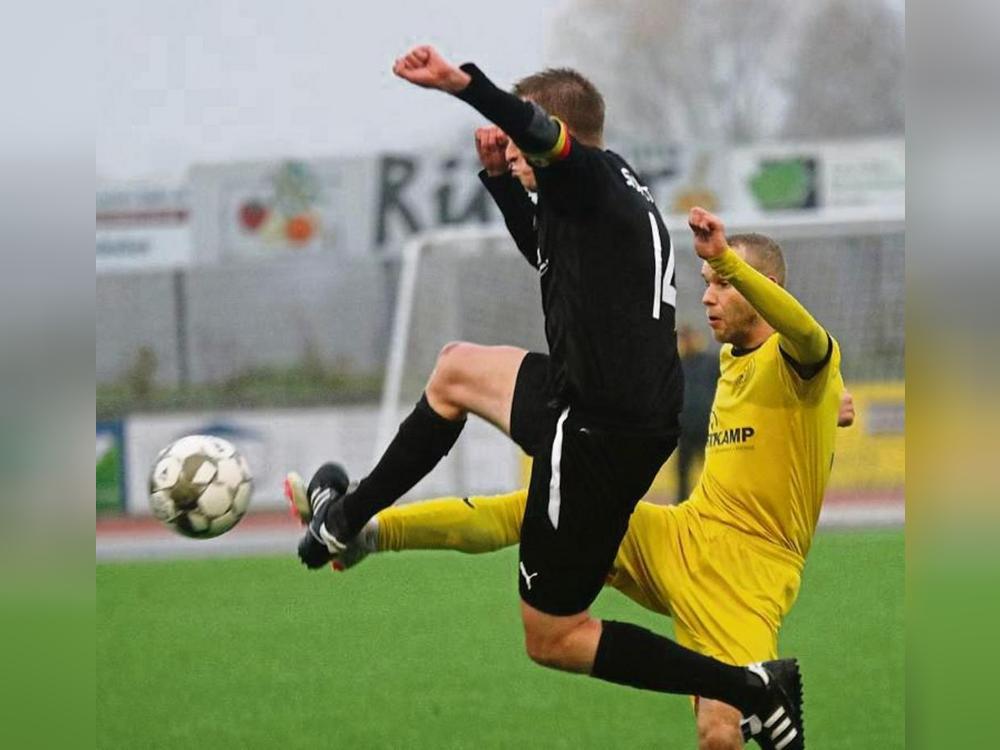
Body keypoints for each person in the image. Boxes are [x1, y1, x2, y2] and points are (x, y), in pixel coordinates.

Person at [288, 46, 805, 748]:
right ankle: (346, 518)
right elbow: (546, 250)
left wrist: (465, 87)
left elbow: (543, 133)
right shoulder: (602, 192)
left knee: (554, 637)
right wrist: (500, 181)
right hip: (591, 402)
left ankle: (750, 689)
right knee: (456, 371)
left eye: (525, 152)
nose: (522, 160)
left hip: (600, 430)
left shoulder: (584, 174)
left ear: (558, 139)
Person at [318, 215, 849, 749]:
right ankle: (370, 531)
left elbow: (805, 334)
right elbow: (810, 408)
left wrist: (728, 260)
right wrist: (834, 408)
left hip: (748, 575)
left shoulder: (801, 355)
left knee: (718, 736)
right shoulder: (736, 360)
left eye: (725, 285)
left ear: (770, 290)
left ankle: (757, 698)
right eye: (708, 283)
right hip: (682, 535)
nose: (709, 296)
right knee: (538, 508)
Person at [676, 324, 718, 501]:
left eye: (688, 337)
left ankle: (716, 503)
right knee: (683, 474)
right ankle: (681, 507)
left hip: (707, 427)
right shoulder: (677, 365)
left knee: (713, 472)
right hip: (685, 430)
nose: (686, 342)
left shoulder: (711, 362)